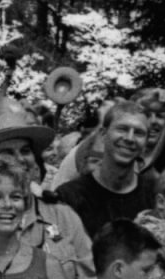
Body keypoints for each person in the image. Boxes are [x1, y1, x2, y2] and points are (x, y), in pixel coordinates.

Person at [55, 101, 158, 237]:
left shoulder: (154, 195)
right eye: (122, 129)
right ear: (103, 134)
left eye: (138, 133)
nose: (129, 138)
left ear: (145, 143)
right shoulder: (69, 196)